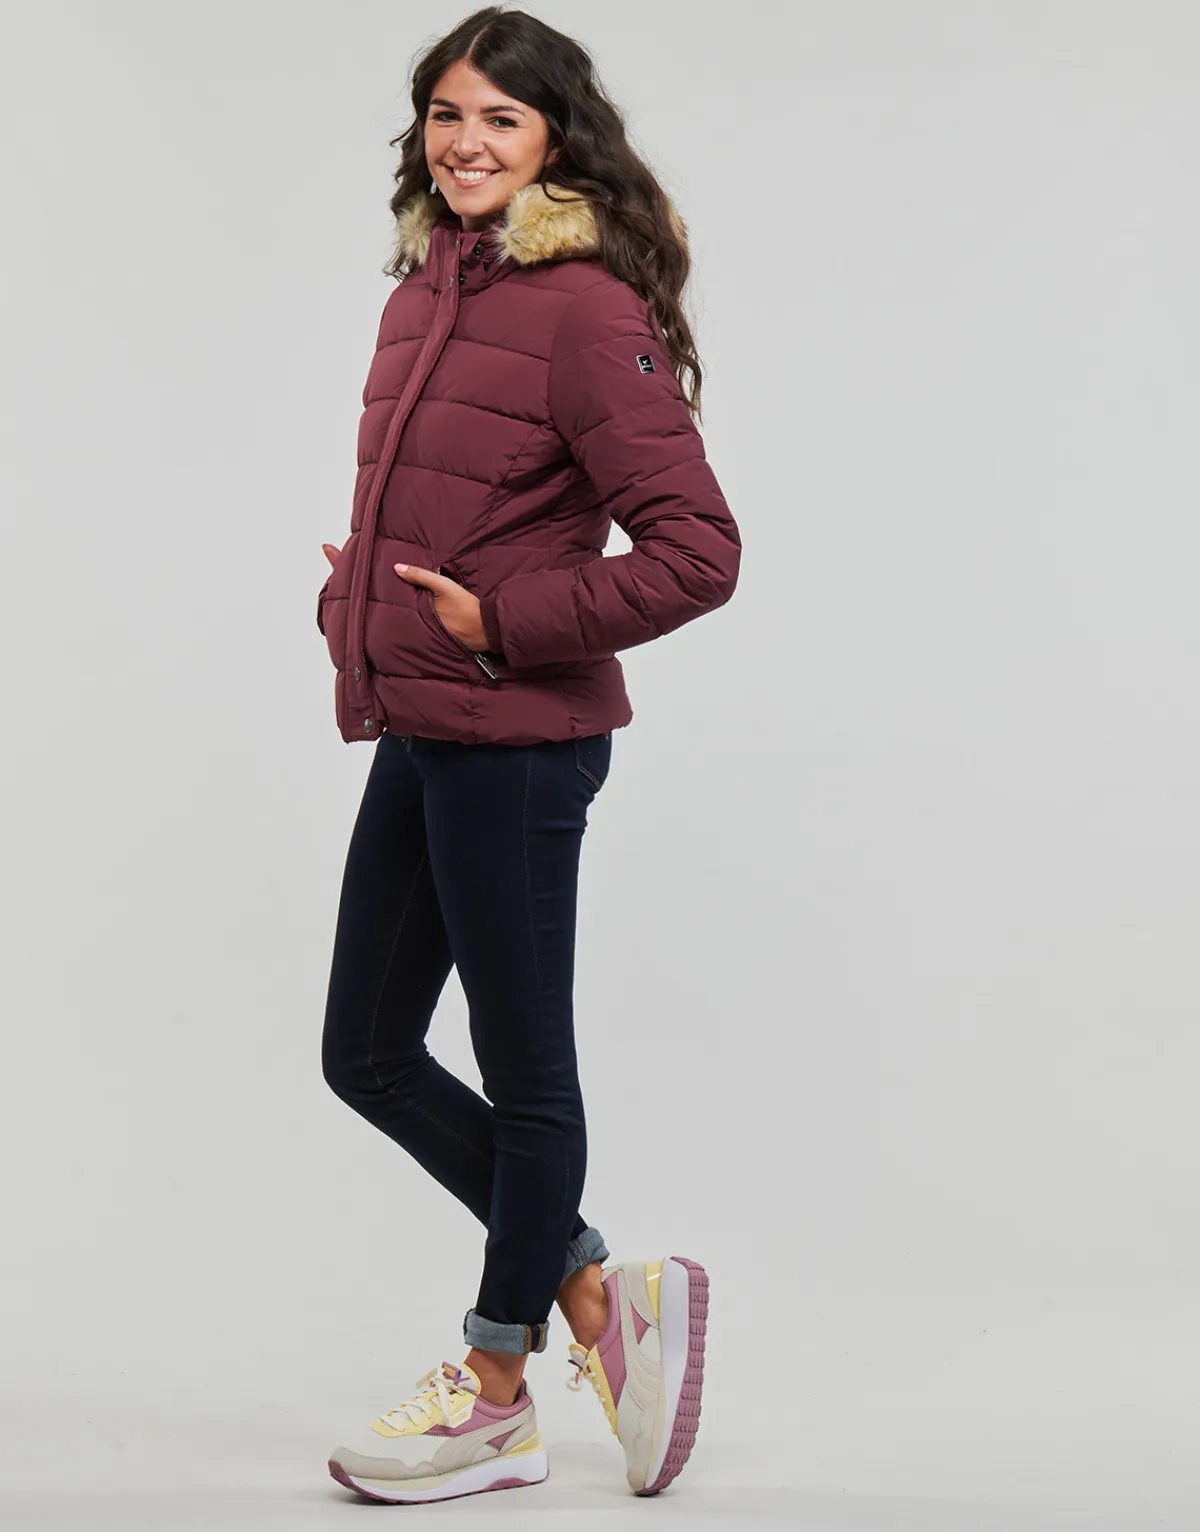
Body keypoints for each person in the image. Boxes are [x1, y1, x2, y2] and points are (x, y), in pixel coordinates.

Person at [317, 5, 741, 1506]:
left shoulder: (580, 307)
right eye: (447, 113)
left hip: (520, 745)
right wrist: (360, 597)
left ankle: (497, 1391)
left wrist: (500, 619)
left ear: (556, 137)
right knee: (364, 1054)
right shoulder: (424, 290)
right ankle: (592, 1289)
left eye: (501, 117)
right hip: (424, 724)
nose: (467, 141)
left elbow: (698, 552)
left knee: (524, 1069)